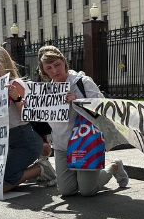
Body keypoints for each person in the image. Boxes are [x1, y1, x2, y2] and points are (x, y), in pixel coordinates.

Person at [37, 45, 128, 196]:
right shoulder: (47, 91)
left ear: (64, 62)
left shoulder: (82, 82)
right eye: (49, 68)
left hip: (85, 142)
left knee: (87, 191)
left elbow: (102, 107)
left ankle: (114, 167)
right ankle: (82, 175)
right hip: (61, 146)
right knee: (67, 191)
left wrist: (77, 101)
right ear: (44, 71)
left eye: (57, 65)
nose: (54, 71)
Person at [0, 43, 55, 191]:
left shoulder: (15, 83)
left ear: (2, 60)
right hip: (5, 142)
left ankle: (41, 168)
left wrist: (16, 98)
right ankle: (33, 171)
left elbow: (29, 115)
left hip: (25, 139)